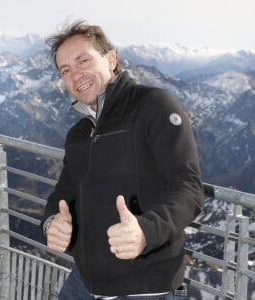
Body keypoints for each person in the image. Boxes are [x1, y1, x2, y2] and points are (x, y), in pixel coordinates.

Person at [41, 20, 204, 300]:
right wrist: (50, 223)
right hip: (84, 282)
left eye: (83, 61)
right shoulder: (79, 133)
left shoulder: (153, 105)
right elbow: (62, 196)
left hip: (144, 288)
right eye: (65, 70)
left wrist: (145, 231)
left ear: (111, 59)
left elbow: (188, 188)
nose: (75, 75)